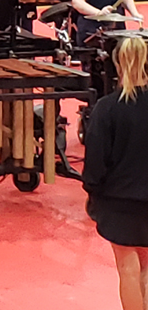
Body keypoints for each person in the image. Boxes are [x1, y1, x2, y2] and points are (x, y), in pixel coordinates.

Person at [83, 36, 148, 310]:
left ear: (117, 65)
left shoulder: (107, 108)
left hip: (120, 202)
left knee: (128, 268)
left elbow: (95, 161)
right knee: (146, 268)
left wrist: (92, 192)